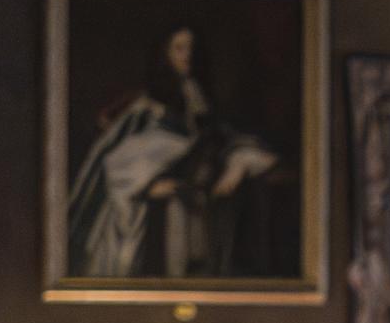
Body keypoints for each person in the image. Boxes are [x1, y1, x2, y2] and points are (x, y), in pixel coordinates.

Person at [66, 25, 281, 281]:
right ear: (165, 54)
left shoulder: (199, 100)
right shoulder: (147, 107)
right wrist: (148, 185)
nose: (187, 55)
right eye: (179, 48)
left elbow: (221, 140)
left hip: (198, 208)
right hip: (156, 217)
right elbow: (115, 162)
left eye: (191, 48)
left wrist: (237, 163)